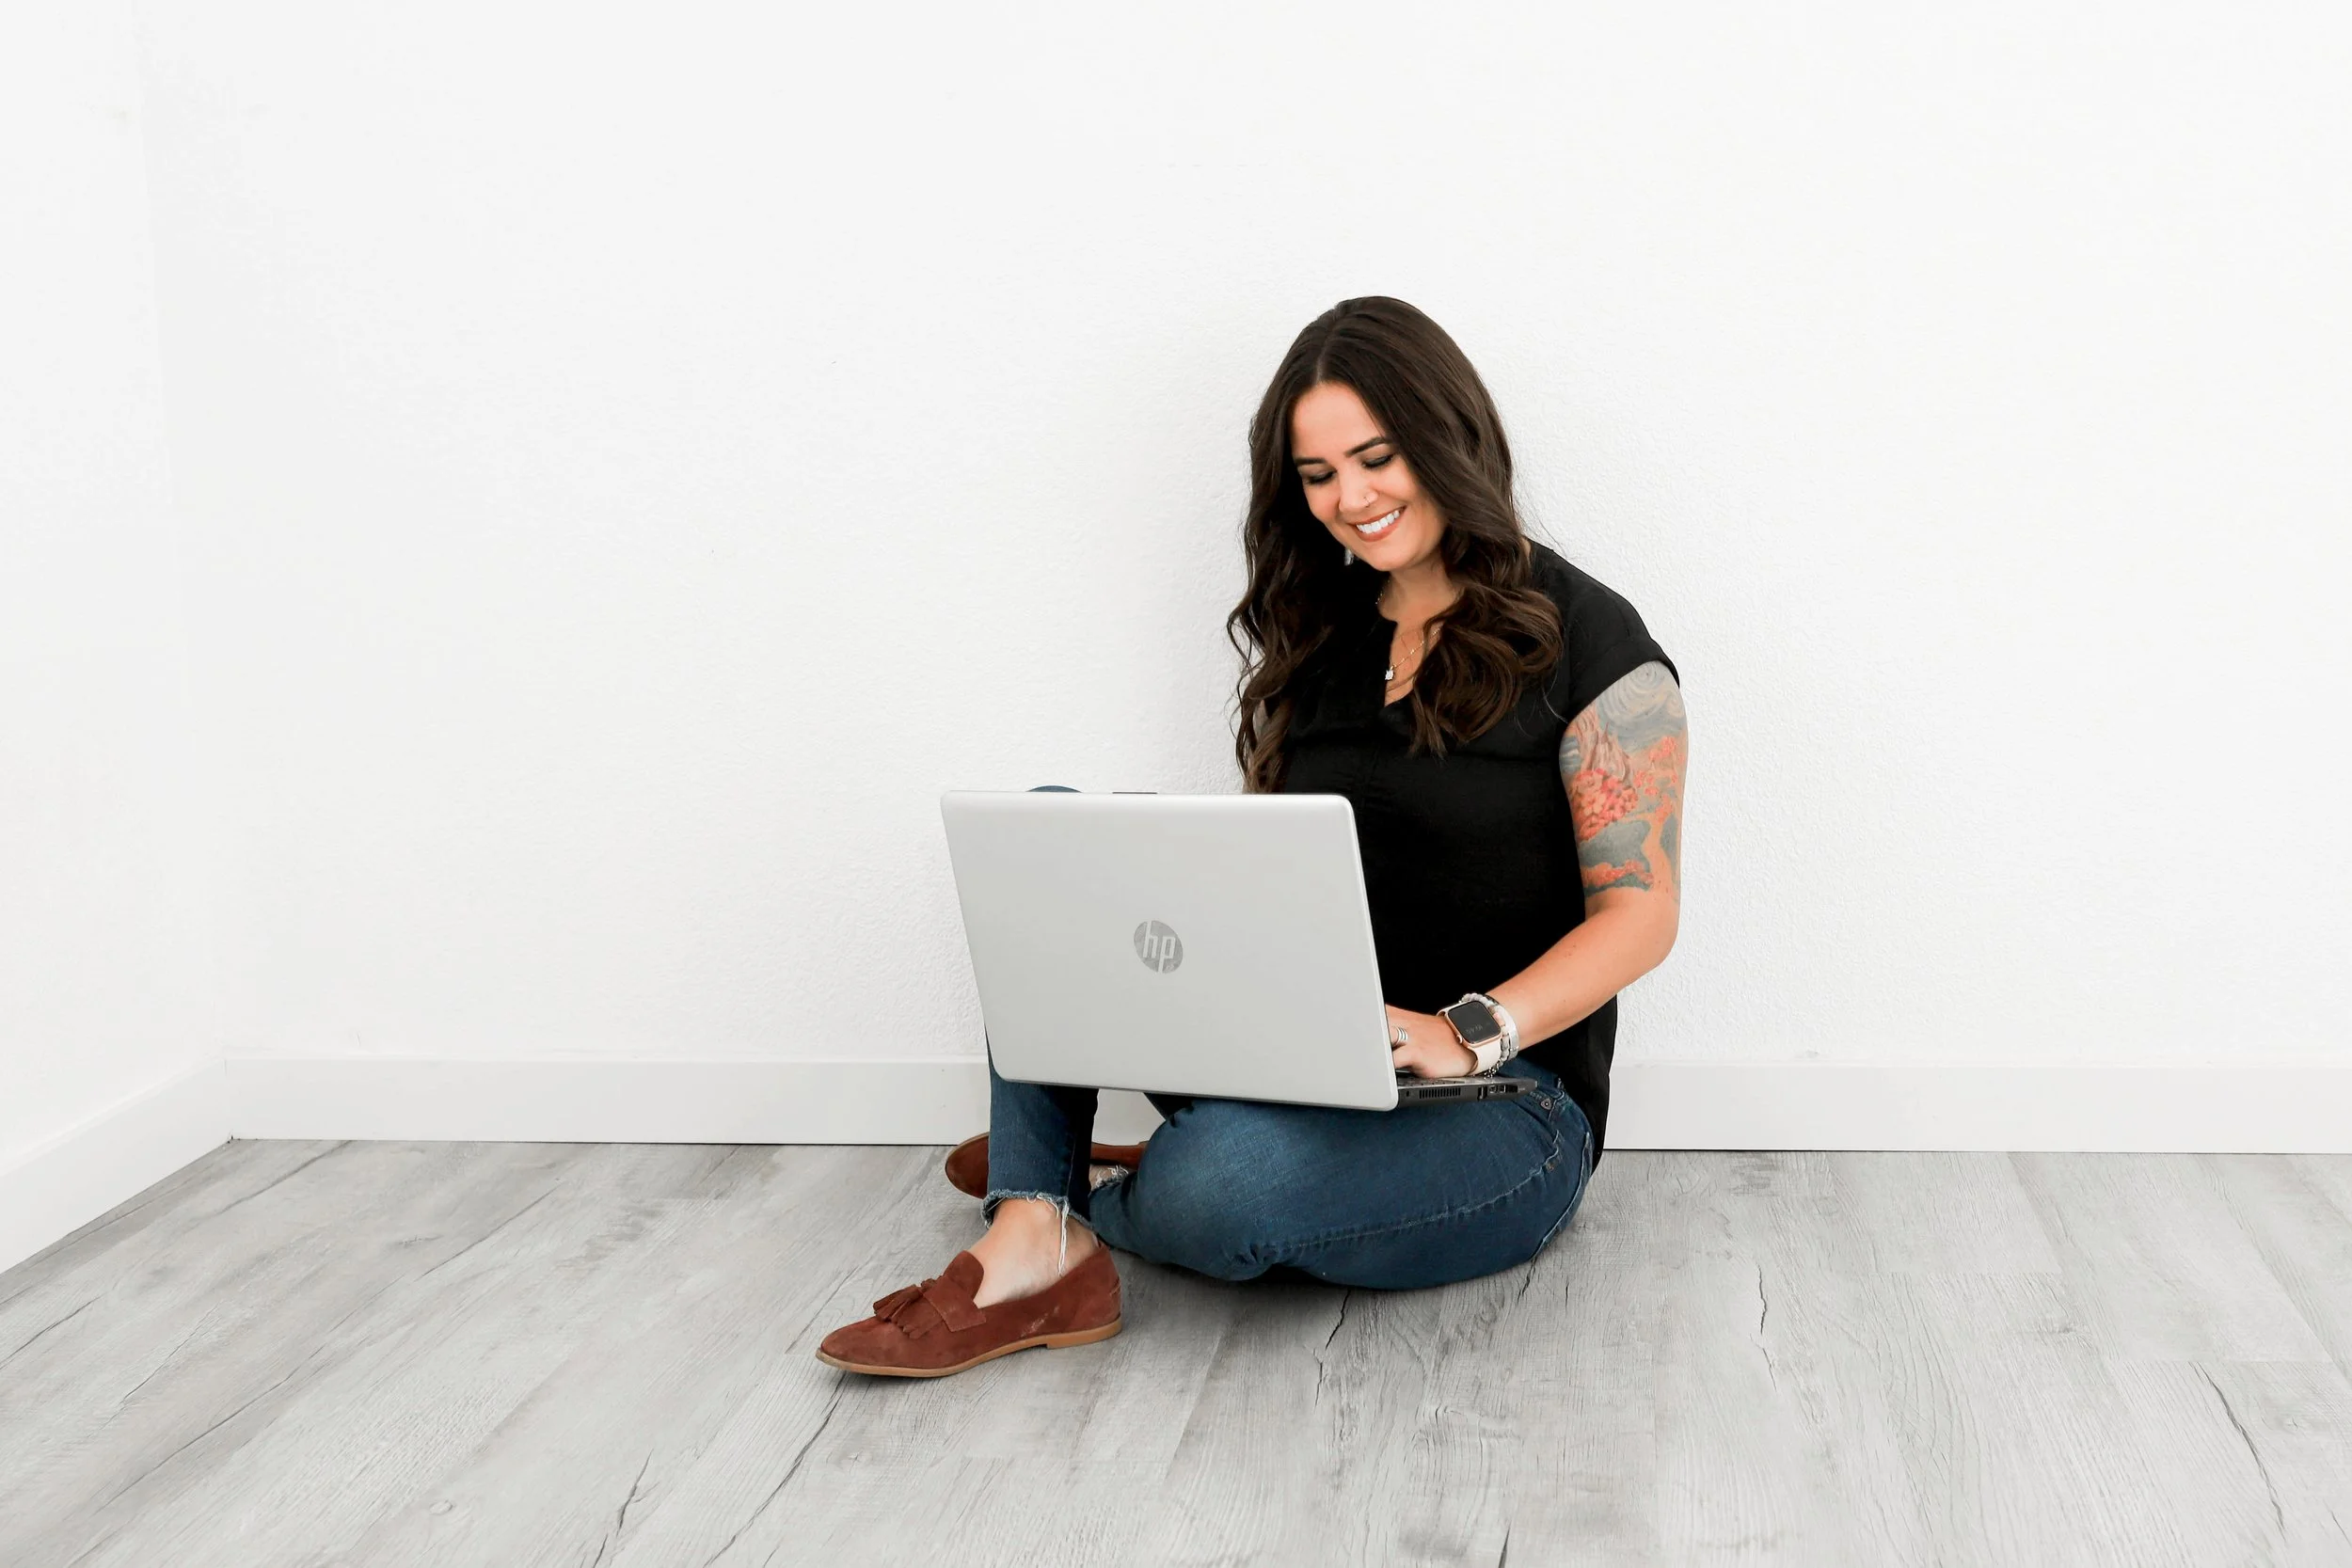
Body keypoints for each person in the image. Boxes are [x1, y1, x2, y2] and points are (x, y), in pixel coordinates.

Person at [818, 296, 1687, 1378]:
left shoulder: (1594, 641)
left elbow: (1641, 914)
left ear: (1449, 436)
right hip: (1302, 1059)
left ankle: (1099, 1191)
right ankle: (1033, 1230)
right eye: (1319, 475)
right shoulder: (1322, 639)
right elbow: (1275, 883)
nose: (1351, 499)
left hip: (1504, 1109)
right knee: (1042, 836)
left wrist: (1469, 1027)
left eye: (1376, 457)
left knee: (1231, 1186)